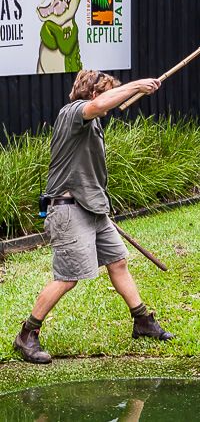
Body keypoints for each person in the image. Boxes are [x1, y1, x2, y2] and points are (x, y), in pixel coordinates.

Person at [13, 70, 173, 365]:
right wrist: (138, 85)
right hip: (68, 209)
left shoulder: (93, 123)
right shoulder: (73, 112)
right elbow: (97, 106)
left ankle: (142, 321)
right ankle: (27, 334)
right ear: (95, 93)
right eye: (110, 92)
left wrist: (100, 204)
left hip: (93, 208)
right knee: (68, 277)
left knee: (118, 262)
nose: (113, 100)